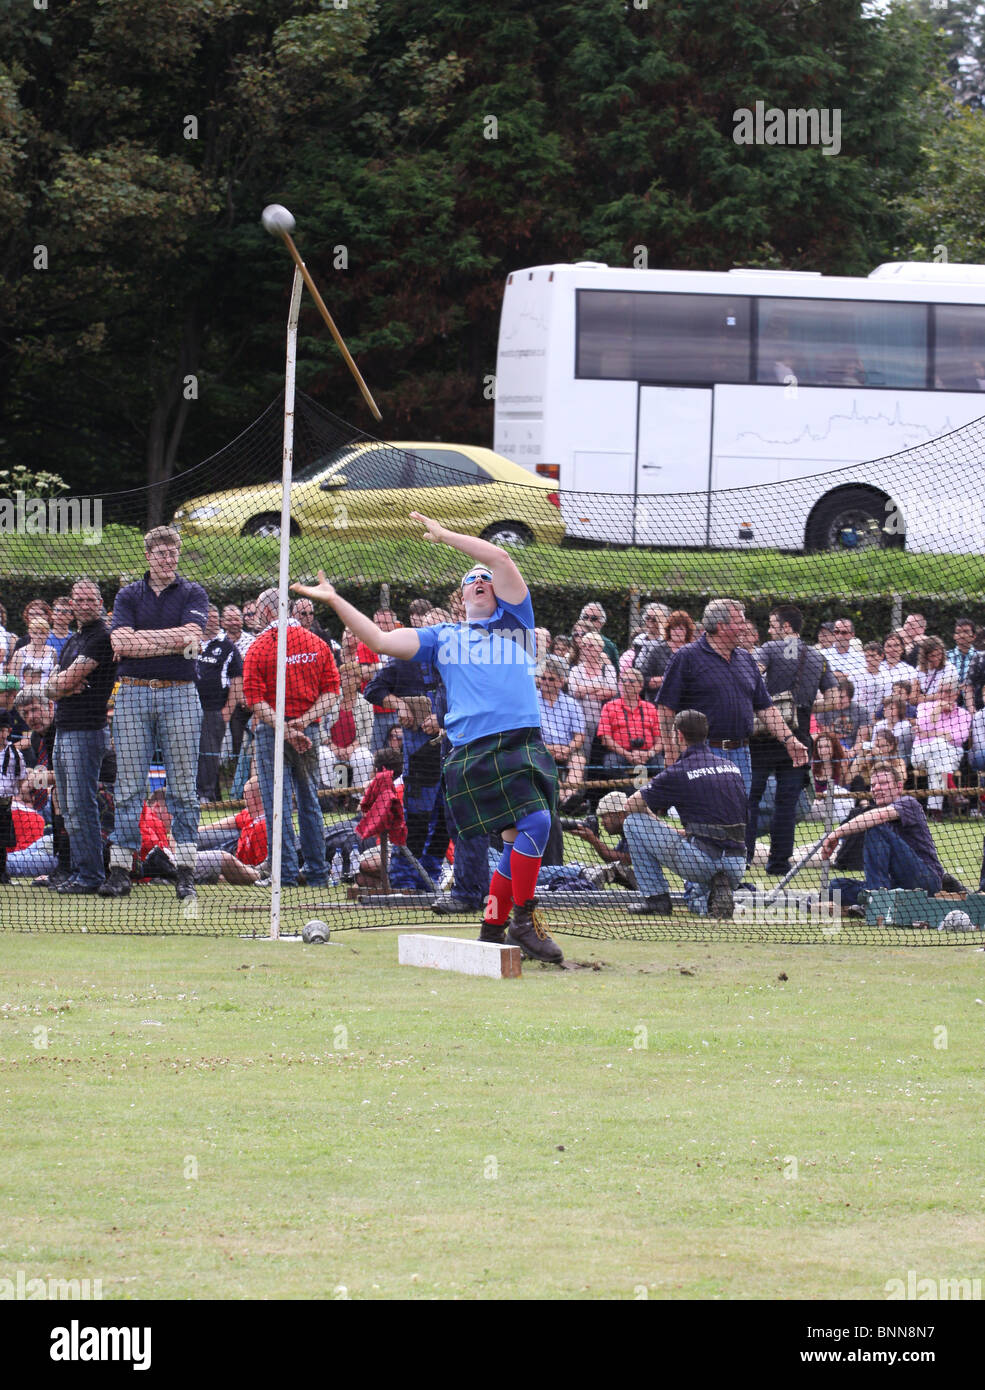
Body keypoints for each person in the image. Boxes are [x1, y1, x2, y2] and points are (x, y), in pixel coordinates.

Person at [291, 511, 564, 964]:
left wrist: (443, 536)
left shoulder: (516, 621)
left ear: (496, 589)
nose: (481, 580)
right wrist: (335, 600)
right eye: (471, 580)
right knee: (531, 828)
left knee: (525, 833)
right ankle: (521, 919)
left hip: (521, 741)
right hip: (472, 751)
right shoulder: (443, 637)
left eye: (486, 579)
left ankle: (495, 928)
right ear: (460, 597)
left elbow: (497, 554)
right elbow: (378, 640)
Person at [100, 525, 209, 901]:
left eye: (173, 552)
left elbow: (192, 638)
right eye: (161, 553)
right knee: (128, 785)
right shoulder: (129, 593)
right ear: (148, 556)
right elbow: (118, 642)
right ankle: (119, 870)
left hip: (180, 695)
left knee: (183, 788)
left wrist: (139, 642)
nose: (168, 559)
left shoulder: (194, 592)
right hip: (132, 695)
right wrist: (171, 641)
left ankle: (186, 872)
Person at [657, 598, 807, 797]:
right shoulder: (687, 657)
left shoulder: (745, 659)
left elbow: (765, 707)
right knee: (708, 815)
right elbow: (666, 707)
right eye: (740, 622)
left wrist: (790, 740)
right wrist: (670, 752)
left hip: (742, 753)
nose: (745, 628)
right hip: (703, 752)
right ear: (722, 626)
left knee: (739, 814)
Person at [242, 587, 341, 888]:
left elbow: (253, 700)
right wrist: (304, 722)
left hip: (273, 732)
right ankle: (317, 873)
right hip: (306, 730)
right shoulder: (317, 643)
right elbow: (331, 691)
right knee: (310, 801)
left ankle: (284, 874)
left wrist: (285, 728)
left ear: (269, 612)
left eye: (258, 610)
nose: (256, 616)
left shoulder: (259, 647)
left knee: (278, 804)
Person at [622, 709, 748, 917]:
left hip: (702, 861)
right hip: (737, 864)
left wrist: (657, 822)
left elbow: (630, 806)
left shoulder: (679, 771)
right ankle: (714, 902)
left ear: (679, 735)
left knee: (633, 822)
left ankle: (657, 900)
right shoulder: (731, 767)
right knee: (693, 898)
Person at [746, 603, 836, 874]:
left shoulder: (769, 649)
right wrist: (802, 707)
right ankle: (778, 863)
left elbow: (750, 676)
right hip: (799, 739)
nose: (769, 631)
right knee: (786, 804)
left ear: (786, 627)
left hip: (764, 736)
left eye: (773, 625)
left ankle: (744, 858)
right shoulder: (818, 657)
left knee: (750, 799)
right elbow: (832, 699)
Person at [43, 579, 116, 894]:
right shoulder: (74, 640)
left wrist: (63, 684)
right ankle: (77, 870)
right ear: (71, 604)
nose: (85, 605)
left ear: (99, 603)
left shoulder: (101, 637)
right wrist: (62, 684)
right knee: (68, 806)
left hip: (86, 732)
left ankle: (91, 875)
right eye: (79, 600)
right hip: (63, 729)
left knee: (82, 804)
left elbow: (62, 682)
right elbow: (51, 686)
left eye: (90, 599)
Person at [821, 762, 943, 902]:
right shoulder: (873, 813)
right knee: (836, 886)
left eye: (883, 783)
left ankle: (877, 899)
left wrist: (835, 834)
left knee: (875, 826)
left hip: (925, 880)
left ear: (899, 787)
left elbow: (880, 816)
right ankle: (876, 896)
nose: (877, 788)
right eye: (873, 785)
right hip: (895, 883)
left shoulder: (909, 803)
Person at [194, 604, 244, 803]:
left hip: (214, 710)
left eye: (215, 617)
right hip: (188, 710)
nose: (211, 620)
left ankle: (205, 795)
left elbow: (237, 681)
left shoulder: (228, 647)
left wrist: (227, 711)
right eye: (208, 617)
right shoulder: (192, 644)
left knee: (209, 754)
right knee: (186, 751)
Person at [910, 679, 970, 814]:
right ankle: (952, 791)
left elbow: (960, 738)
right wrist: (937, 710)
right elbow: (922, 729)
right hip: (921, 754)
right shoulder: (923, 707)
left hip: (950, 755)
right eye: (941, 691)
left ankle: (935, 813)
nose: (944, 695)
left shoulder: (964, 714)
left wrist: (930, 734)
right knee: (940, 745)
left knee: (935, 761)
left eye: (948, 692)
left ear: (956, 694)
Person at [537, 655, 587, 811]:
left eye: (550, 679)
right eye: (543, 678)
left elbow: (579, 735)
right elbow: (528, 733)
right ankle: (561, 800)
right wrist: (548, 748)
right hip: (541, 748)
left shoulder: (571, 703)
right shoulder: (532, 701)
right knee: (546, 760)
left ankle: (568, 798)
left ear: (561, 681)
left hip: (567, 748)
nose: (545, 682)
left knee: (579, 760)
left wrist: (568, 749)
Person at [597, 669, 662, 779]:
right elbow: (606, 739)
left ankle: (650, 793)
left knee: (662, 765)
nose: (626, 684)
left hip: (648, 754)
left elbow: (660, 740)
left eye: (631, 681)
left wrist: (649, 754)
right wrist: (628, 755)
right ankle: (631, 794)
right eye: (623, 680)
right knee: (611, 765)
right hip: (620, 754)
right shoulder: (609, 706)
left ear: (640, 686)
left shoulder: (650, 708)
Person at [635, 609, 694, 701]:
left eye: (681, 629)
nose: (677, 632)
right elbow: (643, 680)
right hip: (658, 702)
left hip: (686, 703)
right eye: (674, 628)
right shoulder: (657, 650)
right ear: (669, 630)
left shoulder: (693, 652)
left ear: (687, 631)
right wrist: (668, 678)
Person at [10, 618, 59, 694]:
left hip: (47, 696)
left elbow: (55, 677)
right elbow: (14, 681)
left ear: (48, 634)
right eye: (35, 633)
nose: (38, 636)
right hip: (25, 696)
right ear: (29, 632)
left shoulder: (53, 652)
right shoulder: (19, 653)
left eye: (42, 633)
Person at [577, 602, 620, 668]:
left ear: (602, 623)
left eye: (594, 618)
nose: (588, 620)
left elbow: (616, 673)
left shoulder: (609, 646)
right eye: (585, 617)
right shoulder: (572, 640)